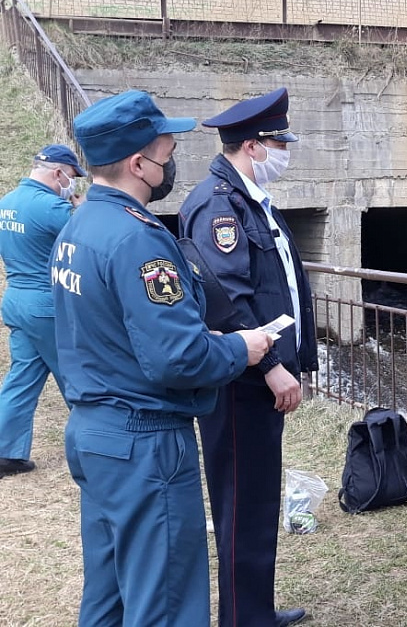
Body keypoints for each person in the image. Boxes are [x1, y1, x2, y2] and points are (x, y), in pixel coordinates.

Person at [51, 89, 273, 626]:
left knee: (109, 592)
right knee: (166, 599)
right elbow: (179, 358)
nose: (171, 164)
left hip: (95, 434)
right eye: (167, 153)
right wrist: (240, 347)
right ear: (138, 163)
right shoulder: (137, 240)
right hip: (143, 442)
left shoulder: (78, 227)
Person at [179, 87, 318, 627]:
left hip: (255, 375)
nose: (285, 152)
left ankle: (252, 610)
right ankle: (243, 619)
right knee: (243, 503)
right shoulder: (219, 207)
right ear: (255, 146)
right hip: (243, 381)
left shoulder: (247, 199)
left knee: (257, 500)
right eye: (280, 142)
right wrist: (272, 367)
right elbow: (226, 300)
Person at [0, 144, 85, 478]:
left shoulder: (6, 202)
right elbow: (87, 236)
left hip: (17, 299)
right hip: (47, 305)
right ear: (58, 172)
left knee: (23, 376)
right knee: (77, 377)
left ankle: (5, 450)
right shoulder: (51, 207)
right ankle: (94, 448)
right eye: (72, 177)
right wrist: (83, 207)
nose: (73, 185)